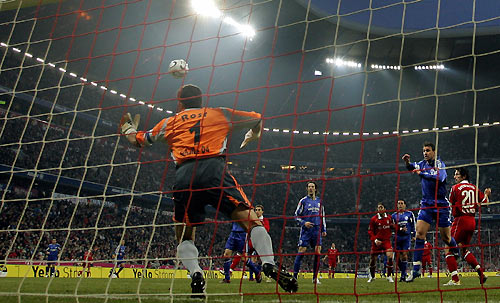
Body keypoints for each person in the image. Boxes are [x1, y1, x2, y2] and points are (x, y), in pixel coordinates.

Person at [119, 84, 298, 297]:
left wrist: (128, 128)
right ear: (201, 100)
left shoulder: (170, 122)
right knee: (252, 221)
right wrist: (253, 134)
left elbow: (137, 140)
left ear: (180, 102)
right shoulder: (219, 113)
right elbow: (257, 118)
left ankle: (195, 273)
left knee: (185, 236)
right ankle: (268, 263)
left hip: (185, 176)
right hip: (214, 170)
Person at [402, 142, 459, 282]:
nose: (425, 153)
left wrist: (422, 174)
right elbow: (411, 168)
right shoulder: (421, 164)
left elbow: (440, 178)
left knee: (446, 238)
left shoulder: (440, 164)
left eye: (427, 150)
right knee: (419, 234)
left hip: (441, 205)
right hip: (426, 204)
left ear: (434, 151)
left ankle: (455, 247)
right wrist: (407, 162)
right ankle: (415, 270)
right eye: (423, 151)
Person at [443, 167, 491, 286]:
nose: (455, 177)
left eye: (457, 174)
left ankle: (455, 279)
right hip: (471, 221)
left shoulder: (455, 188)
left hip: (460, 220)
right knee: (464, 249)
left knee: (448, 248)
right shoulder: (474, 188)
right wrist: (486, 195)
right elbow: (485, 203)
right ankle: (481, 273)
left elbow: (449, 205)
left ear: (463, 176)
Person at [293, 181, 327, 284]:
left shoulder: (319, 202)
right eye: (309, 187)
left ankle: (315, 278)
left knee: (318, 253)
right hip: (306, 231)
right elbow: (296, 216)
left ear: (315, 189)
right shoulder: (303, 201)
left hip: (317, 230)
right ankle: (294, 277)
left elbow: (323, 216)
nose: (310, 188)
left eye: (312, 186)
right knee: (301, 252)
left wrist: (324, 229)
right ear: (307, 189)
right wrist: (304, 223)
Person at [367, 203, 395, 283]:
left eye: (381, 207)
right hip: (377, 242)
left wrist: (399, 228)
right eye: (378, 208)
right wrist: (375, 240)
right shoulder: (374, 219)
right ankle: (372, 276)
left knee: (390, 256)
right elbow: (370, 231)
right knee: (373, 260)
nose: (379, 209)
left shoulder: (389, 218)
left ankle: (389, 276)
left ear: (384, 209)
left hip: (386, 241)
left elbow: (393, 226)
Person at [391, 199, 416, 282]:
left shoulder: (409, 214)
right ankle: (403, 273)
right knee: (397, 257)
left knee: (404, 255)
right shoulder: (394, 215)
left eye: (402, 203)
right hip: (397, 237)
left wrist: (413, 235)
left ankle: (403, 275)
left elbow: (413, 225)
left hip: (406, 237)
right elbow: (392, 226)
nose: (400, 205)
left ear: (405, 205)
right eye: (399, 203)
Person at [248, 204, 269, 282]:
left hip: (262, 242)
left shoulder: (265, 220)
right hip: (253, 241)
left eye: (259, 210)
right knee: (252, 258)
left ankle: (261, 275)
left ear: (262, 212)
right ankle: (251, 277)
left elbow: (266, 229)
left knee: (261, 260)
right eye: (256, 210)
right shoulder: (252, 220)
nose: (257, 211)